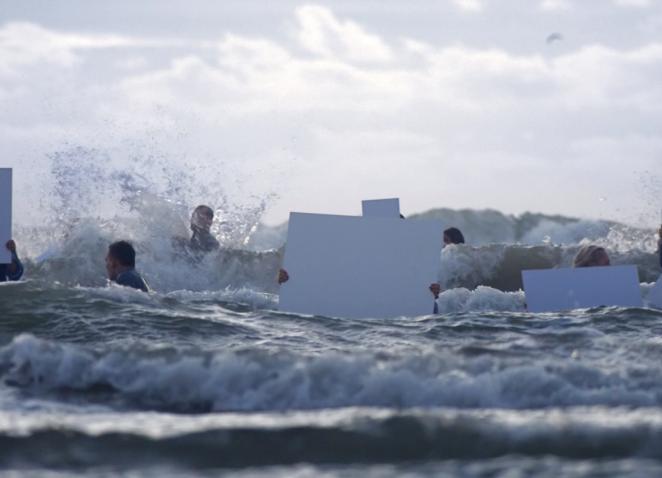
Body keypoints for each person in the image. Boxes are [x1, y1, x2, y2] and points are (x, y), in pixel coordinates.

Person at [429, 227, 466, 308]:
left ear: (455, 243)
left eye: (445, 240)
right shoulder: (437, 261)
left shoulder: (460, 264)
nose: (442, 244)